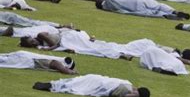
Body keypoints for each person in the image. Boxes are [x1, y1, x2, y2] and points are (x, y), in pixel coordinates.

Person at [18, 28, 159, 60]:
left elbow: (55, 44)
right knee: (93, 49)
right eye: (32, 44)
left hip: (68, 38)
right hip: (68, 41)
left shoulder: (40, 35)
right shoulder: (39, 45)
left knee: (93, 47)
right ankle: (121, 55)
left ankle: (121, 54)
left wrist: (49, 49)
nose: (34, 42)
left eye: (32, 41)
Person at [32, 74, 151, 97]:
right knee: (76, 87)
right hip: (100, 85)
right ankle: (51, 86)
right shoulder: (127, 89)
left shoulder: (127, 81)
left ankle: (52, 85)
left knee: (75, 82)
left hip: (97, 79)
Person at [96, 0, 190, 20]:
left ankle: (166, 15)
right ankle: (174, 11)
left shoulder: (107, 7)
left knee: (152, 13)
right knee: (159, 5)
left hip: (134, 7)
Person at [0, 51, 76, 74]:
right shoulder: (58, 62)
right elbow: (57, 64)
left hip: (26, 55)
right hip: (26, 60)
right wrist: (71, 72)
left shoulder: (58, 59)